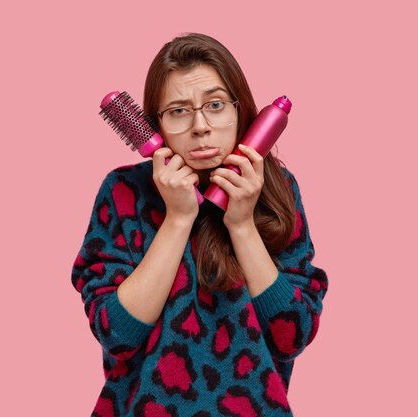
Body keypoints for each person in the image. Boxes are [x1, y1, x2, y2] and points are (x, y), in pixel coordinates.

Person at [71, 33, 328, 417]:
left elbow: (292, 335)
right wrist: (178, 218)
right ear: (153, 124)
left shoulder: (277, 189)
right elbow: (117, 335)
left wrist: (241, 224)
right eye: (178, 111)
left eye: (216, 105)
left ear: (241, 110)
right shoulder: (124, 192)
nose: (201, 126)